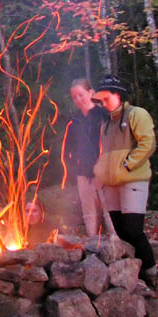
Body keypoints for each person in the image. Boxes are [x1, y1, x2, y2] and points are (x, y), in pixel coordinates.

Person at [92, 75, 158, 287]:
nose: (103, 103)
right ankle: (133, 272)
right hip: (111, 184)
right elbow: (104, 155)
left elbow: (147, 144)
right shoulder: (107, 124)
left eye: (106, 98)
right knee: (120, 231)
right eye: (101, 100)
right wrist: (100, 174)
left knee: (133, 229)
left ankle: (150, 271)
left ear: (118, 94)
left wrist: (127, 165)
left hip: (133, 181)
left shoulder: (136, 114)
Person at [63, 78, 110, 235]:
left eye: (81, 95)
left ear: (91, 92)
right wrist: (75, 164)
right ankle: (94, 249)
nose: (78, 99)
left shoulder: (105, 116)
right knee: (89, 214)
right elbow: (67, 149)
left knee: (110, 211)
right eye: (74, 97)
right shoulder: (74, 122)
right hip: (83, 173)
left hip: (106, 173)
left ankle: (118, 246)